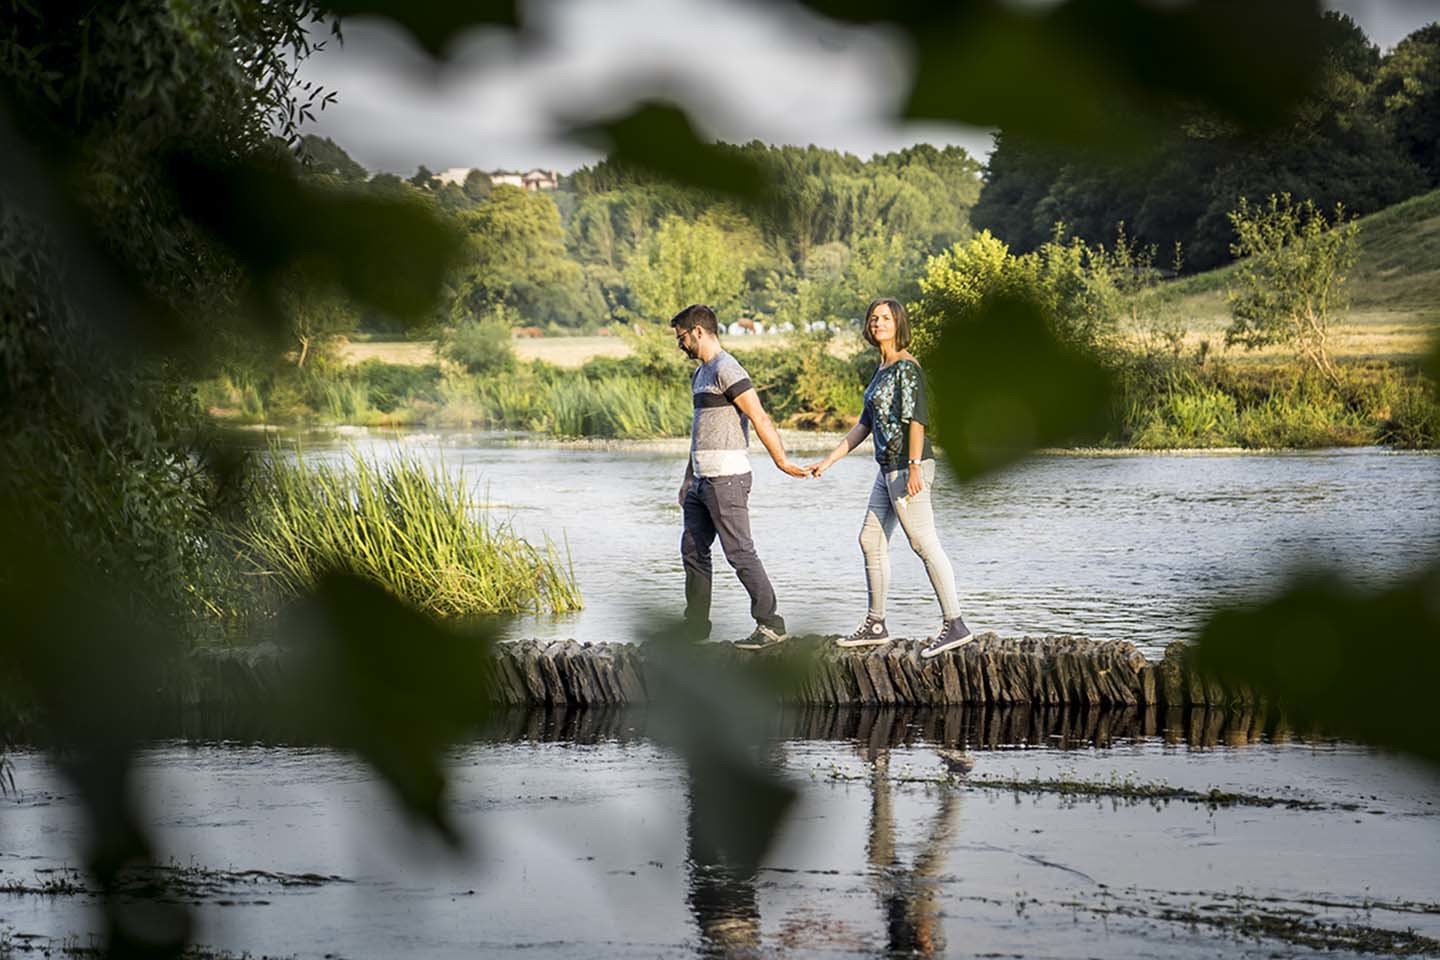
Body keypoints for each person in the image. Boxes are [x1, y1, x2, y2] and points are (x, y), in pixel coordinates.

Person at [806, 297, 974, 658]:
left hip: (906, 466)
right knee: (870, 539)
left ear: (898, 323)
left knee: (923, 543)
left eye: (884, 318)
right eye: (872, 318)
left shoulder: (906, 368)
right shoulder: (882, 369)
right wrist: (829, 461)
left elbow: (917, 419)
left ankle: (955, 623)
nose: (877, 323)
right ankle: (876, 624)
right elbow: (863, 426)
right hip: (887, 469)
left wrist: (914, 466)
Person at [672, 304, 809, 650]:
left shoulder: (726, 368)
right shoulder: (700, 374)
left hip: (727, 479)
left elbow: (759, 416)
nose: (680, 344)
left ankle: (771, 624)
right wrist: (689, 477)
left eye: (682, 337)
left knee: (739, 552)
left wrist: (782, 462)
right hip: (701, 481)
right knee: (692, 549)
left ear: (698, 332)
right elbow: (699, 432)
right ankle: (696, 627)